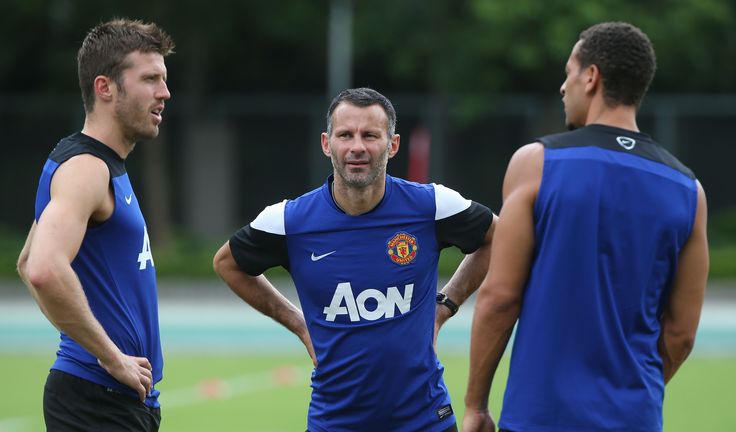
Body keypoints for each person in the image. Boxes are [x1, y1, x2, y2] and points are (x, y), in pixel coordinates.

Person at [462, 22, 709, 432]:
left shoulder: (536, 163)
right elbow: (681, 335)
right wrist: (630, 395)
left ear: (591, 77)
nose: (563, 87)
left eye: (568, 72)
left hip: (540, 416)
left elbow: (500, 298)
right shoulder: (689, 191)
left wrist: (476, 405)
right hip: (635, 418)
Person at [214, 87, 497, 431]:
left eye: (370, 135)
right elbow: (227, 263)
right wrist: (299, 324)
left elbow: (498, 238)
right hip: (335, 422)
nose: (357, 147)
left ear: (392, 145)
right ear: (326, 143)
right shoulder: (289, 221)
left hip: (425, 419)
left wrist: (445, 306)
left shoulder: (431, 205)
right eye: (345, 135)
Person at [16, 19, 174, 431]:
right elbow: (43, 268)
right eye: (150, 79)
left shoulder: (98, 163)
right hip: (96, 399)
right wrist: (106, 355)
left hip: (111, 399)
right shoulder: (86, 168)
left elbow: (28, 261)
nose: (164, 93)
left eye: (164, 79)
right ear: (105, 88)